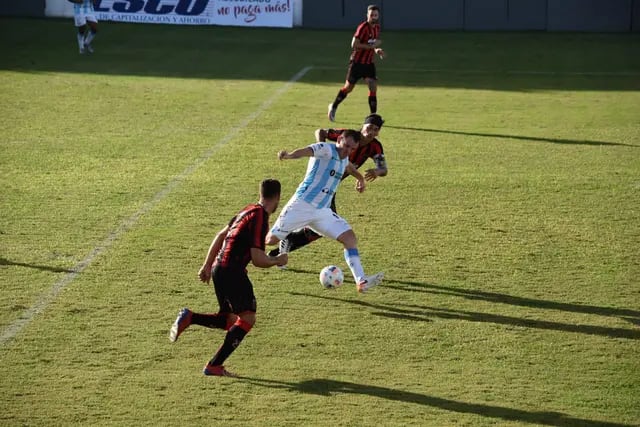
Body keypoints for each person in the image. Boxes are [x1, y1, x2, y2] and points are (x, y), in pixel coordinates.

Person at [168, 179, 289, 377]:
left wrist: (207, 265)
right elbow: (258, 259)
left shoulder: (247, 210)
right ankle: (213, 366)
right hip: (233, 271)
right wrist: (277, 260)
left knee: (228, 320)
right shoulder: (260, 218)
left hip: (219, 268)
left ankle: (190, 318)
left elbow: (220, 235)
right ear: (277, 198)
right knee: (248, 317)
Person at [265, 129, 384, 293]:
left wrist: (361, 179)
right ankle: (263, 245)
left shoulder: (344, 158)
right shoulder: (326, 149)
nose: (347, 151)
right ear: (340, 139)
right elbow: (307, 151)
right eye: (346, 146)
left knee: (349, 238)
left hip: (322, 212)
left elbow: (349, 167)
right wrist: (290, 155)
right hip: (301, 206)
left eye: (352, 149)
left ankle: (361, 281)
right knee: (270, 240)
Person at [269, 114, 387, 257]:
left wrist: (375, 171)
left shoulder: (375, 146)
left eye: (376, 130)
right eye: (369, 128)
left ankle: (285, 243)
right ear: (363, 126)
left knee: (322, 228)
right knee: (326, 226)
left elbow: (383, 169)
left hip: (331, 189)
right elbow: (321, 132)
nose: (371, 132)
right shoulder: (346, 136)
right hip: (319, 185)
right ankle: (283, 242)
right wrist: (321, 151)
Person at [328, 4, 385, 122]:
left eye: (376, 15)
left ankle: (373, 116)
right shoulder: (363, 27)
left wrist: (376, 50)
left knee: (373, 86)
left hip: (369, 63)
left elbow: (371, 43)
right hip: (357, 63)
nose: (374, 17)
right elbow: (354, 44)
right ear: (367, 15)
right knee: (348, 88)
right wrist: (371, 47)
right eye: (371, 15)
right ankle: (333, 106)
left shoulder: (377, 27)